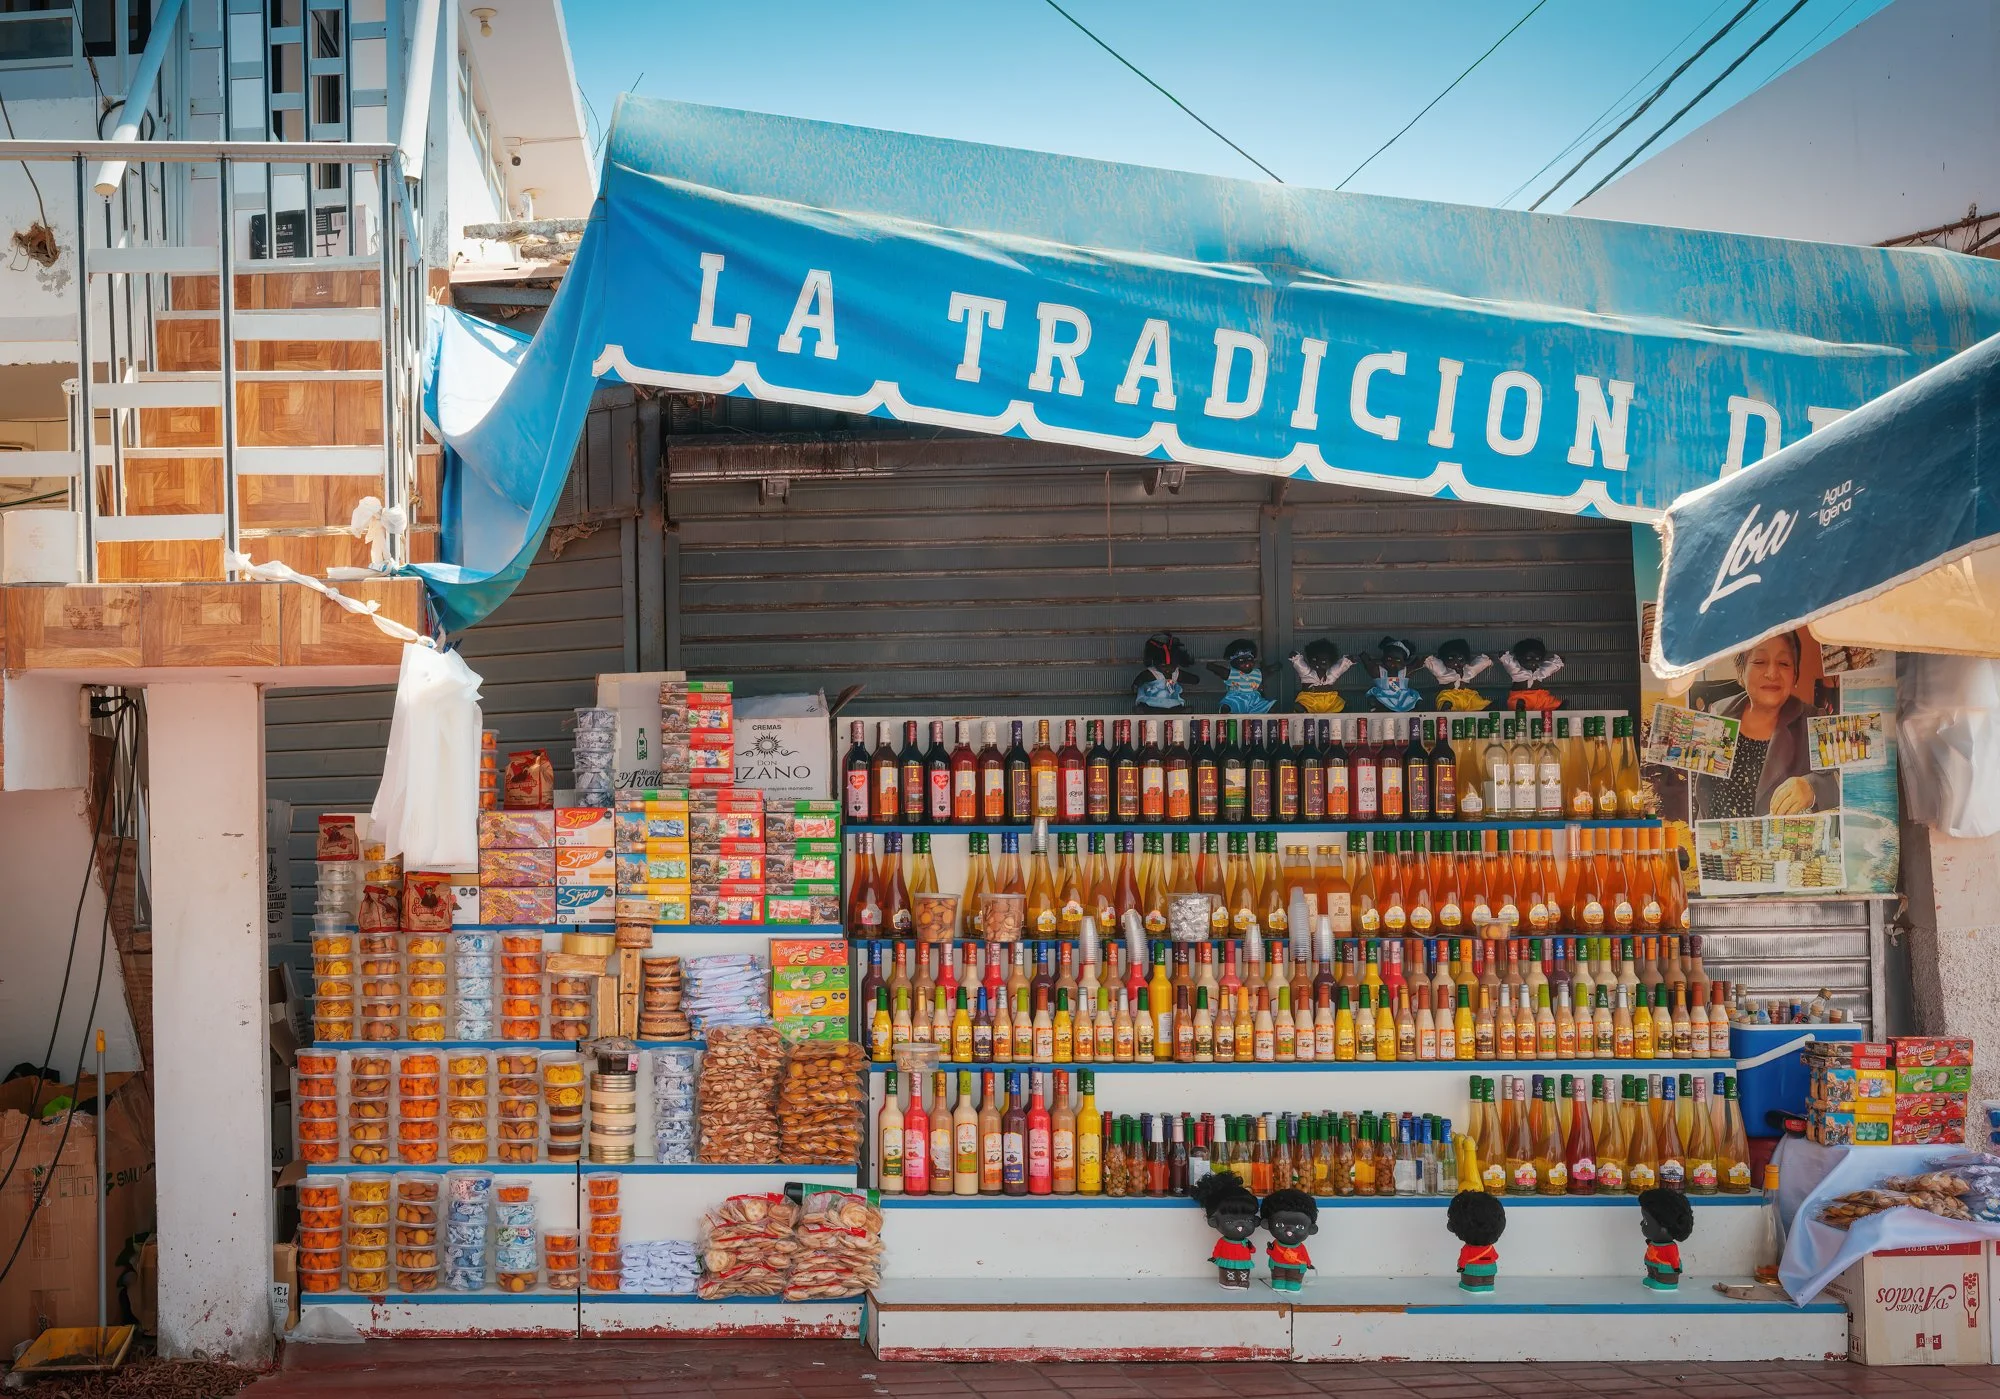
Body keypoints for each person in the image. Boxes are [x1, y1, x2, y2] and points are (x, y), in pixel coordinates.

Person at [1690, 633, 1837, 821]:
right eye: (1759, 662)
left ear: (1795, 675)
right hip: (1717, 848)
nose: (1772, 673)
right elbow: (1704, 799)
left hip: (1783, 850)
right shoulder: (1717, 717)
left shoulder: (1816, 721)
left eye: (1784, 663)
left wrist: (1812, 787)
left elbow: (1847, 785)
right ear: (1741, 671)